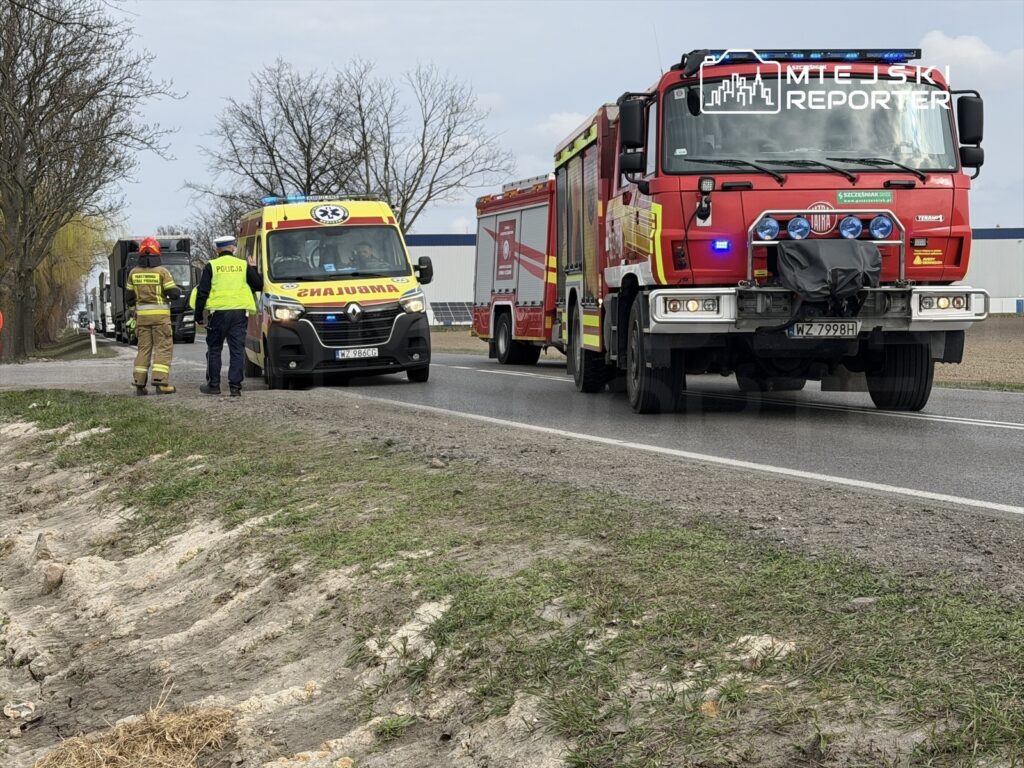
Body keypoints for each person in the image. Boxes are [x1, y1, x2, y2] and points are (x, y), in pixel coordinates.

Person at [194, 235, 263, 397]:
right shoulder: (242, 265)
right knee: (237, 350)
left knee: (214, 349)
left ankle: (214, 385)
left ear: (217, 249)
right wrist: (252, 268)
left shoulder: (212, 265)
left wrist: (198, 315)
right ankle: (235, 387)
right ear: (233, 248)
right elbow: (258, 285)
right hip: (239, 314)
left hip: (218, 314)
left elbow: (202, 292)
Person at [126, 237, 181, 395]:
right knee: (163, 349)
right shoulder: (162, 272)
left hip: (142, 318)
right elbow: (173, 292)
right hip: (160, 319)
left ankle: (139, 384)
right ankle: (160, 383)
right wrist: (176, 291)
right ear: (157, 252)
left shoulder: (133, 273)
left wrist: (134, 312)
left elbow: (129, 297)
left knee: (143, 350)